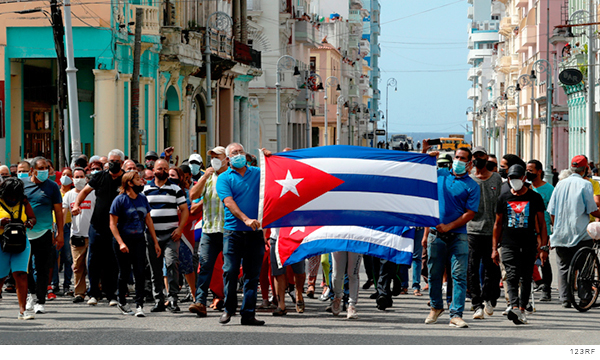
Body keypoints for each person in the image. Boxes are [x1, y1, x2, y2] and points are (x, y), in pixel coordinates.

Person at [422, 141, 480, 328]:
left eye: (463, 159)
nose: (458, 161)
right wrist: (424, 153)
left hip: (459, 236)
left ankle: (456, 314)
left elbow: (470, 213)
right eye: (457, 157)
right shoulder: (440, 175)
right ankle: (436, 307)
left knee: (459, 275)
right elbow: (419, 172)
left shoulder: (472, 186)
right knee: (434, 273)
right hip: (435, 234)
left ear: (470, 164)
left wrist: (449, 226)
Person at [216, 143, 265, 326]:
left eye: (241, 152)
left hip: (255, 233)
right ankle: (228, 309)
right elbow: (228, 202)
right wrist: (245, 219)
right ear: (228, 159)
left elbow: (275, 178)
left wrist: (269, 157)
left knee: (252, 275)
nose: (238, 155)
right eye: (234, 153)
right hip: (233, 232)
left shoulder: (258, 173)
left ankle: (248, 313)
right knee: (230, 272)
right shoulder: (224, 178)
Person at [492, 164, 548, 325]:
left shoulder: (534, 197)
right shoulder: (503, 198)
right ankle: (514, 305)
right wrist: (494, 248)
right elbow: (497, 225)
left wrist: (543, 247)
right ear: (508, 179)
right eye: (511, 178)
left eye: (517, 178)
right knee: (511, 275)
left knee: (525, 276)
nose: (514, 181)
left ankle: (522, 309)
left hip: (529, 243)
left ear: (524, 178)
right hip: (508, 244)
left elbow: (542, 224)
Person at [72, 149, 124, 306]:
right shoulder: (99, 176)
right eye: (110, 161)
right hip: (97, 225)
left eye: (116, 161)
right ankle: (93, 293)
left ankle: (111, 295)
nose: (112, 164)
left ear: (121, 163)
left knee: (112, 261)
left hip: (117, 227)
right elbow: (85, 191)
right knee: (94, 260)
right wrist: (76, 205)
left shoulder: (125, 179)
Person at [547, 155, 600, 308]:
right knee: (584, 267)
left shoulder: (560, 184)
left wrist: (556, 227)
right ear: (585, 169)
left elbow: (552, 211)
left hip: (561, 234)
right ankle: (584, 297)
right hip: (581, 234)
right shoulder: (585, 185)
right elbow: (592, 210)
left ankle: (565, 298)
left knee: (563, 267)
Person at [109, 171, 161, 317]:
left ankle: (139, 305)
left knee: (139, 272)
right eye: (138, 179)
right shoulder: (119, 200)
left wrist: (155, 242)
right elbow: (112, 224)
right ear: (129, 183)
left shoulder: (143, 199)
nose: (141, 182)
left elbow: (148, 220)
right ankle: (122, 301)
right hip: (123, 240)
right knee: (124, 272)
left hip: (139, 239)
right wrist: (120, 243)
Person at [188, 146, 231, 317]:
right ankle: (200, 301)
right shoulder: (208, 178)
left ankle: (228, 300)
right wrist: (205, 176)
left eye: (217, 156)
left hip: (229, 230)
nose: (214, 159)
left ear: (226, 159)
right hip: (209, 230)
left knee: (229, 268)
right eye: (211, 156)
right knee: (205, 266)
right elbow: (192, 195)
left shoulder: (231, 176)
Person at [143, 159, 189, 313]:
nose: (161, 170)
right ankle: (159, 300)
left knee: (171, 264)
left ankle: (173, 299)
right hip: (152, 236)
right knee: (154, 269)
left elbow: (184, 210)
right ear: (153, 169)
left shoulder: (175, 189)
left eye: (164, 168)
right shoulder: (145, 189)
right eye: (158, 168)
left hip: (171, 235)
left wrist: (180, 229)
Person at [23, 157, 64, 315]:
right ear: (32, 170)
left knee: (41, 268)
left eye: (46, 168)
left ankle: (40, 300)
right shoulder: (22, 185)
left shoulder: (52, 187)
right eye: (41, 168)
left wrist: (59, 233)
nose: (45, 171)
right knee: (25, 268)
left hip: (45, 232)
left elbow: (58, 211)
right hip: (25, 234)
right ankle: (30, 295)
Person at [467, 146, 502, 320]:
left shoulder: (496, 178)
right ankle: (476, 304)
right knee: (472, 268)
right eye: (475, 156)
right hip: (472, 230)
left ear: (486, 157)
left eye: (480, 156)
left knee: (492, 269)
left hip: (492, 231)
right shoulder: (469, 179)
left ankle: (490, 296)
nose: (477, 159)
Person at [0, 178, 36, 319]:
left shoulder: (24, 201)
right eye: (10, 195)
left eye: (15, 195)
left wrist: (29, 222)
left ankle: (23, 310)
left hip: (21, 243)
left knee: (20, 274)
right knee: (1, 276)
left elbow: (33, 217)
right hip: (1, 242)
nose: (13, 198)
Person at [63, 167, 96, 303]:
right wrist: (60, 229)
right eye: (76, 177)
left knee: (92, 265)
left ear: (86, 178)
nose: (79, 179)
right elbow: (64, 212)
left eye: (81, 176)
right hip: (76, 234)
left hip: (92, 234)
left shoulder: (93, 194)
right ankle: (79, 293)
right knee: (77, 266)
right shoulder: (69, 195)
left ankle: (95, 290)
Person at [526, 160, 554, 302]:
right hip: (529, 230)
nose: (528, 173)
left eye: (531, 170)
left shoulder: (549, 189)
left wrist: (553, 232)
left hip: (545, 230)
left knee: (544, 260)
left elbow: (554, 212)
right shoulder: (527, 188)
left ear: (539, 171)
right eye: (527, 170)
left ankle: (546, 289)